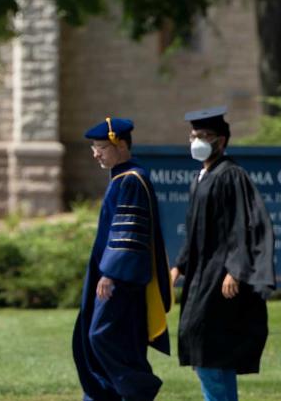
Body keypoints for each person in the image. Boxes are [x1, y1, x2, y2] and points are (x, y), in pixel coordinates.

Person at [171, 106, 276, 401]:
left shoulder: (232, 175)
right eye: (194, 135)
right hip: (201, 274)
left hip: (221, 275)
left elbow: (244, 224)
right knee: (201, 349)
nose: (198, 141)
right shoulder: (201, 177)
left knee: (211, 352)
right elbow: (193, 230)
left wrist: (235, 269)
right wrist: (179, 265)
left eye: (205, 136)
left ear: (222, 141)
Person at [71, 117, 173, 401]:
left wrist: (111, 273)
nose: (95, 153)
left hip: (121, 279)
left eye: (102, 147)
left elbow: (128, 232)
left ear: (121, 145)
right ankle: (107, 394)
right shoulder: (121, 177)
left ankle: (140, 388)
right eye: (94, 147)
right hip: (114, 275)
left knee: (102, 335)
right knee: (110, 338)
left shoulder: (131, 181)